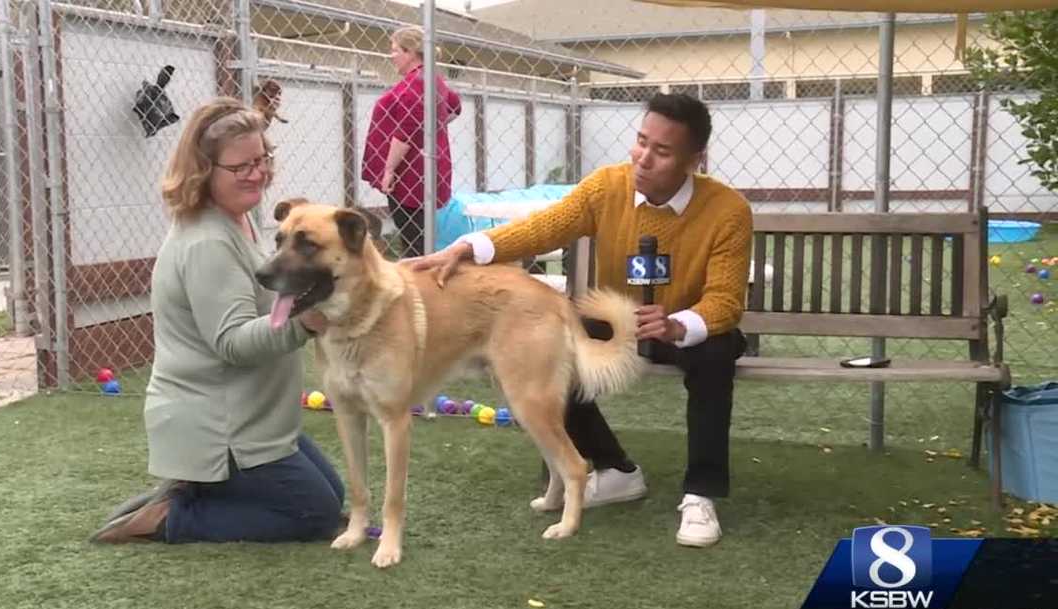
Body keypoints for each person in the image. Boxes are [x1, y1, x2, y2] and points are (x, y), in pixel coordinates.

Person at [410, 93, 752, 548]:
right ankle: (614, 470)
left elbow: (726, 300)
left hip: (682, 325)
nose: (643, 158)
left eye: (662, 151)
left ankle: (700, 494)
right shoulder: (606, 187)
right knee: (546, 341)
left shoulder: (727, 210)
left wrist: (678, 324)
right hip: (615, 323)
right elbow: (541, 227)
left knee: (716, 353)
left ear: (695, 160)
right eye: (641, 141)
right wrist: (470, 247)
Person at [91, 97, 343, 544]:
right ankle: (172, 517)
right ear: (205, 170)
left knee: (333, 494)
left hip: (250, 418)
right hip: (219, 428)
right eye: (240, 166)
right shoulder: (208, 240)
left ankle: (191, 489)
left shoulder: (234, 220)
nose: (257, 173)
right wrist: (308, 322)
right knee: (315, 513)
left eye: (262, 159)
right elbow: (232, 342)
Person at [361, 25, 462, 258]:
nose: (391, 55)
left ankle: (418, 286)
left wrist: (389, 169)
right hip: (418, 174)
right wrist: (433, 128)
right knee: (416, 238)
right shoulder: (430, 80)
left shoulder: (417, 83)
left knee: (414, 242)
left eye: (395, 50)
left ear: (410, 52)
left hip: (409, 177)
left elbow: (406, 132)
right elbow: (455, 107)